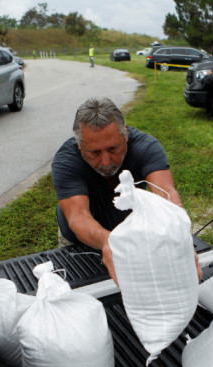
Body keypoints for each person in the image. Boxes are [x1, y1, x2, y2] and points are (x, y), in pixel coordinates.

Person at [51, 96, 202, 284]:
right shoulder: (66, 160)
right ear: (80, 146)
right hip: (79, 241)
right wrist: (108, 242)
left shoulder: (146, 147)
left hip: (131, 234)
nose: (106, 162)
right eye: (94, 153)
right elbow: (78, 215)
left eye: (113, 149)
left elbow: (165, 192)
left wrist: (178, 233)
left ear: (126, 134)